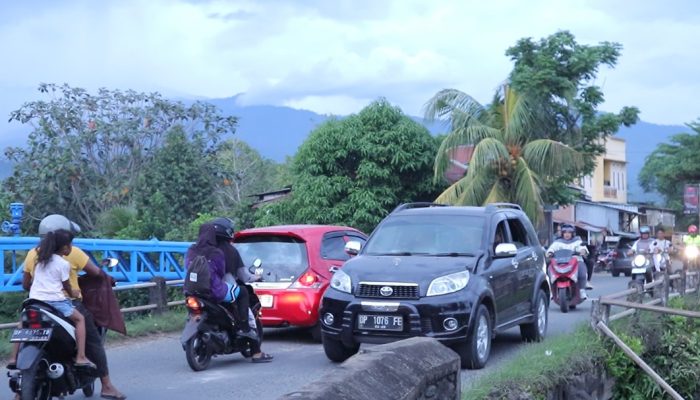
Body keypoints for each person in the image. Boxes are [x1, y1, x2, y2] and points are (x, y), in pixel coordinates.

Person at [18, 214, 127, 400]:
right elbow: (96, 272)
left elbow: (26, 285)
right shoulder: (72, 253)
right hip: (65, 304)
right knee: (93, 340)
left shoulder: (32, 254)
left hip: (36, 304)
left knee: (23, 329)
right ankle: (107, 385)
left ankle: (19, 390)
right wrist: (106, 278)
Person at [187, 222, 273, 363]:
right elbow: (239, 275)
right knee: (245, 296)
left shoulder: (192, 250)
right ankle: (254, 347)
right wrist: (257, 277)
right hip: (218, 291)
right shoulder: (225, 251)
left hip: (194, 291)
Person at [11, 229, 94, 369]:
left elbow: (29, 283)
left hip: (34, 300)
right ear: (64, 247)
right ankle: (80, 356)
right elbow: (66, 286)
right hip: (55, 302)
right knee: (80, 319)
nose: (71, 247)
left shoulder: (39, 260)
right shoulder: (63, 264)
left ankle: (13, 358)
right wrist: (74, 293)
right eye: (70, 245)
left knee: (22, 323)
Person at [546, 223, 590, 300]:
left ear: (572, 233)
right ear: (562, 233)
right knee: (549, 270)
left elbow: (582, 248)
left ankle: (582, 290)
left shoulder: (577, 241)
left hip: (575, 261)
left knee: (582, 271)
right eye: (565, 232)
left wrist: (582, 250)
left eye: (569, 232)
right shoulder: (557, 242)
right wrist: (550, 253)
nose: (567, 234)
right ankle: (552, 292)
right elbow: (551, 249)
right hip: (559, 262)